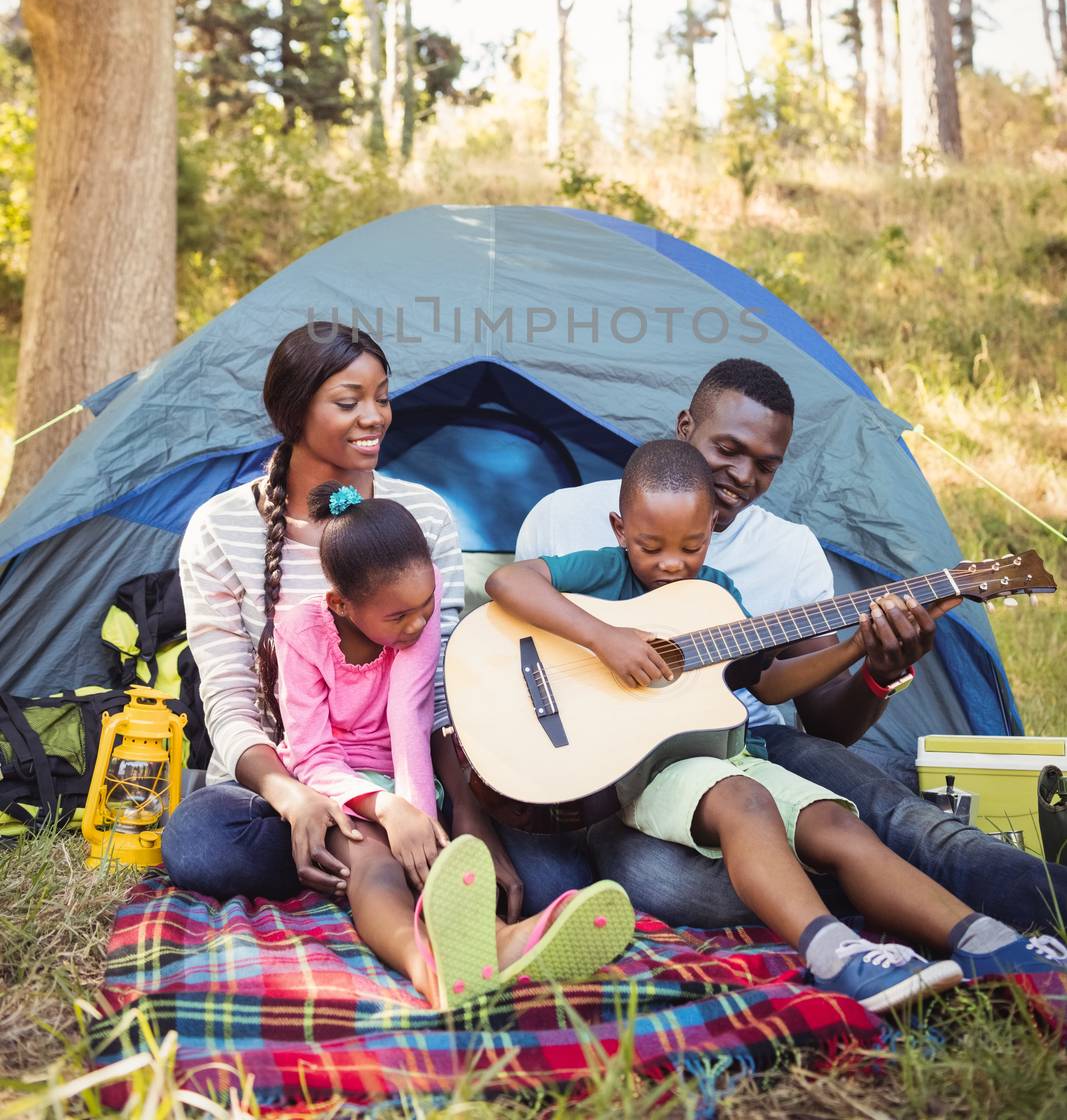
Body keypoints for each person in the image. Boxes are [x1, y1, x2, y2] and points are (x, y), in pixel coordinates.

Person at [487, 440, 1067, 1006]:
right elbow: (507, 583)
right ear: (620, 531)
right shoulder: (603, 572)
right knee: (744, 800)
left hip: (728, 755)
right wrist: (603, 638)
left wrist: (856, 649)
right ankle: (836, 954)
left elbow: (768, 683)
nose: (671, 564)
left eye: (691, 546)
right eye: (650, 545)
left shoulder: (716, 596)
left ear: (712, 530)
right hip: (647, 770)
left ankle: (988, 942)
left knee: (838, 826)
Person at [163, 324, 523, 915]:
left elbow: (435, 692)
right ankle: (386, 867)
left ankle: (382, 865)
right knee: (200, 842)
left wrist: (466, 811)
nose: (375, 417)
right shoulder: (220, 527)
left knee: (547, 862)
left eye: (382, 396)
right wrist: (293, 798)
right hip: (279, 789)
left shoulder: (424, 515)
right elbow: (229, 703)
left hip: (410, 777)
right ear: (293, 411)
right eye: (348, 401)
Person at [264, 479, 631, 1007]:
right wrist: (389, 811)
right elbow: (314, 754)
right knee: (373, 865)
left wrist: (423, 823)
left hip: (408, 769)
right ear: (341, 605)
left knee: (449, 860)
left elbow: (411, 715)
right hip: (337, 785)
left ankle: (499, 942)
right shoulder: (300, 632)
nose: (418, 622)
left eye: (425, 605)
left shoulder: (420, 599)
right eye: (398, 617)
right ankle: (428, 969)